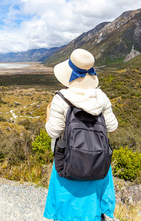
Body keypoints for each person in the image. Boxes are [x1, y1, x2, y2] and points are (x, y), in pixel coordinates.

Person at [43, 49, 118, 221]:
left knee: (67, 206)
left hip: (69, 162)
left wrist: (48, 114)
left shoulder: (61, 98)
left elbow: (53, 132)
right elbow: (112, 128)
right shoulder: (101, 97)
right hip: (98, 161)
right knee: (93, 207)